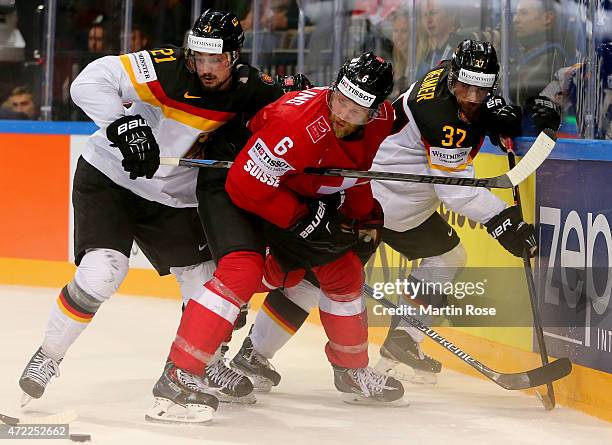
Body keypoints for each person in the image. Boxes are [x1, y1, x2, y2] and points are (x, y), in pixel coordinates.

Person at [228, 39, 560, 389]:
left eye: (481, 90)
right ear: (452, 79)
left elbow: (476, 105)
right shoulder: (440, 116)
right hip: (382, 200)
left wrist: (506, 115)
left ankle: (401, 343)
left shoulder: (451, 72)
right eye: (465, 88)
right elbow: (453, 190)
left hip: (407, 200)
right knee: (315, 276)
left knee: (446, 257)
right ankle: (255, 349)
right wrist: (502, 221)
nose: (471, 97)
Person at [18, 9, 294, 414]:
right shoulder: (166, 67)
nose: (204, 68)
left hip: (172, 195)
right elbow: (88, 82)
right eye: (197, 57)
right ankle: (49, 354)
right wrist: (122, 124)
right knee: (102, 271)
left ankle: (205, 362)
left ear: (235, 57)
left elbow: (298, 112)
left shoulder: (252, 88)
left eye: (215, 60)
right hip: (111, 175)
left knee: (205, 283)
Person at [223, 52, 405, 405]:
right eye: (339, 100)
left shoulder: (384, 119)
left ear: (374, 111)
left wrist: (362, 215)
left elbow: (354, 172)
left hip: (307, 201)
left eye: (355, 110)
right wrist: (301, 219)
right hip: (264, 196)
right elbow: (247, 184)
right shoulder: (297, 120)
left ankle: (351, 370)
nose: (342, 113)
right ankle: (209, 349)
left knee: (343, 274)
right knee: (258, 274)